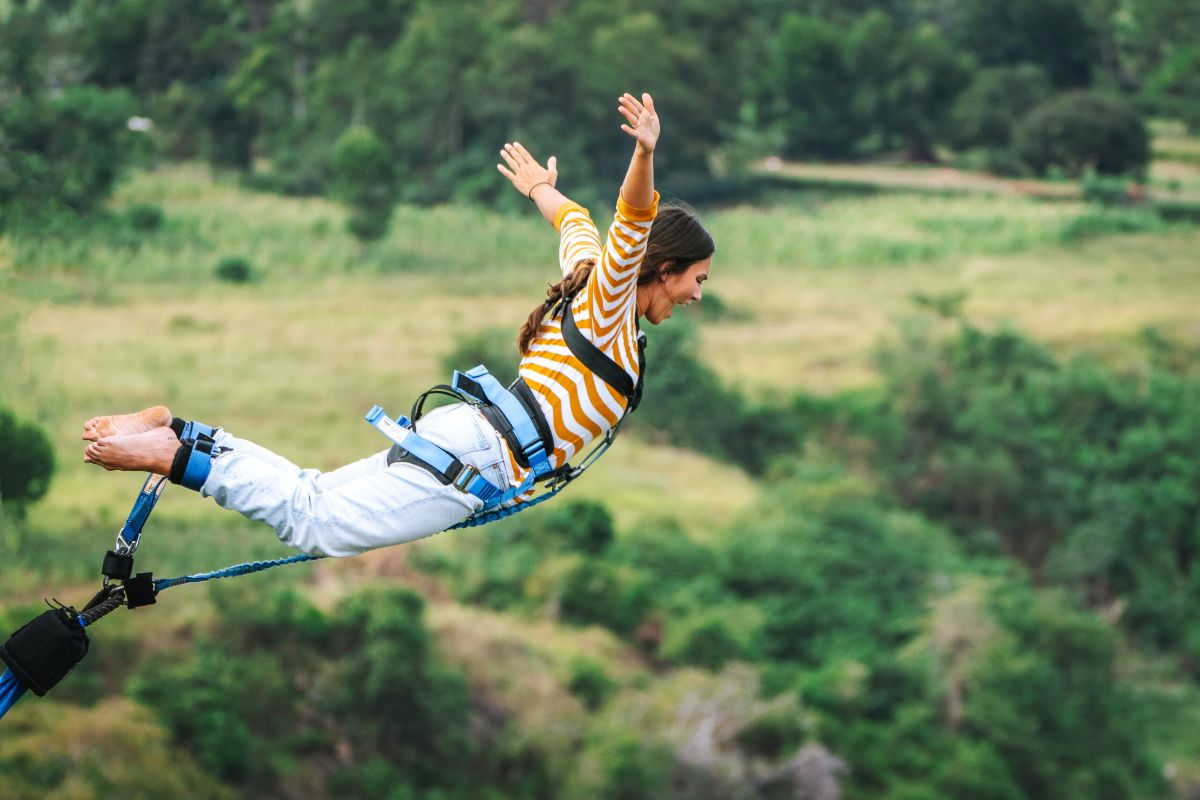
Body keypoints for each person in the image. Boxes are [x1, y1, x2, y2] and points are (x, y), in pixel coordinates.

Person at [81, 92, 715, 558]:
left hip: (466, 436)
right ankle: (171, 454)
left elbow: (574, 222)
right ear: (663, 267)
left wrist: (539, 190)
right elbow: (629, 217)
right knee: (318, 524)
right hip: (481, 458)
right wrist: (644, 152)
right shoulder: (610, 303)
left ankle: (181, 432)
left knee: (313, 493)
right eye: (696, 279)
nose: (696, 295)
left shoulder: (591, 278)